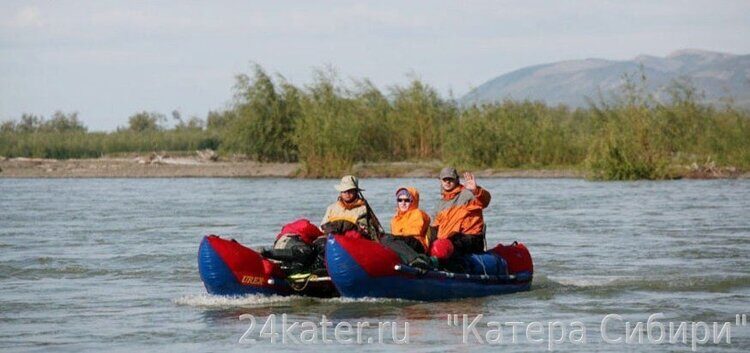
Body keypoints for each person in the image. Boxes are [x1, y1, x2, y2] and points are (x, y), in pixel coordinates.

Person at [430, 167, 491, 261]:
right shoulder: (440, 205)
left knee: (451, 242)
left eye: (450, 179)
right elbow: (434, 228)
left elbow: (485, 201)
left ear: (457, 179)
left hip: (471, 238)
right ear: (440, 181)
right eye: (445, 179)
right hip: (448, 241)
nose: (447, 182)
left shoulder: (468, 194)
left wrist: (476, 190)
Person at [390, 187, 430, 253]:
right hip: (400, 242)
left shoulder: (418, 213)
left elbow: (416, 231)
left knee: (391, 239)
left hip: (417, 243)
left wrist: (397, 235)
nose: (403, 203)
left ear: (413, 201)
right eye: (400, 200)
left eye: (407, 200)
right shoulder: (395, 219)